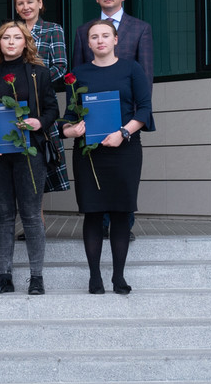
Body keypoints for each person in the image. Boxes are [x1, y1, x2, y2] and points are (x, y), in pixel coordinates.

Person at [62, 20, 153, 294]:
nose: (100, 40)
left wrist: (123, 133)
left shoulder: (131, 68)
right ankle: (94, 277)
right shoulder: (77, 74)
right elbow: (69, 116)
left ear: (115, 40)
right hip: (89, 154)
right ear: (88, 43)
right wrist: (70, 130)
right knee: (92, 213)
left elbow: (144, 109)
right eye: (94, 37)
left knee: (121, 213)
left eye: (105, 35)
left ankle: (118, 277)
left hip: (124, 150)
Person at [0, 23, 58, 295]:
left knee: (31, 216)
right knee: (3, 217)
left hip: (29, 152)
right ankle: (4, 277)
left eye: (17, 37)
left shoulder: (39, 73)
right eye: (6, 37)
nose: (11, 42)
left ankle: (36, 278)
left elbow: (52, 109)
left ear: (26, 42)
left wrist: (40, 122)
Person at [15, 0, 71, 200]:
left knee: (41, 163)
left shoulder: (52, 30)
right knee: (18, 160)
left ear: (40, 3)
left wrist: (36, 83)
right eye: (20, 3)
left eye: (30, 2)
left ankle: (36, 218)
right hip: (16, 102)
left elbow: (61, 66)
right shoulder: (13, 30)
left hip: (41, 103)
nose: (25, 7)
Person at [71, 0, 155, 87]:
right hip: (93, 95)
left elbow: (146, 74)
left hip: (127, 96)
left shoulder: (141, 28)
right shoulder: (83, 31)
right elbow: (76, 74)